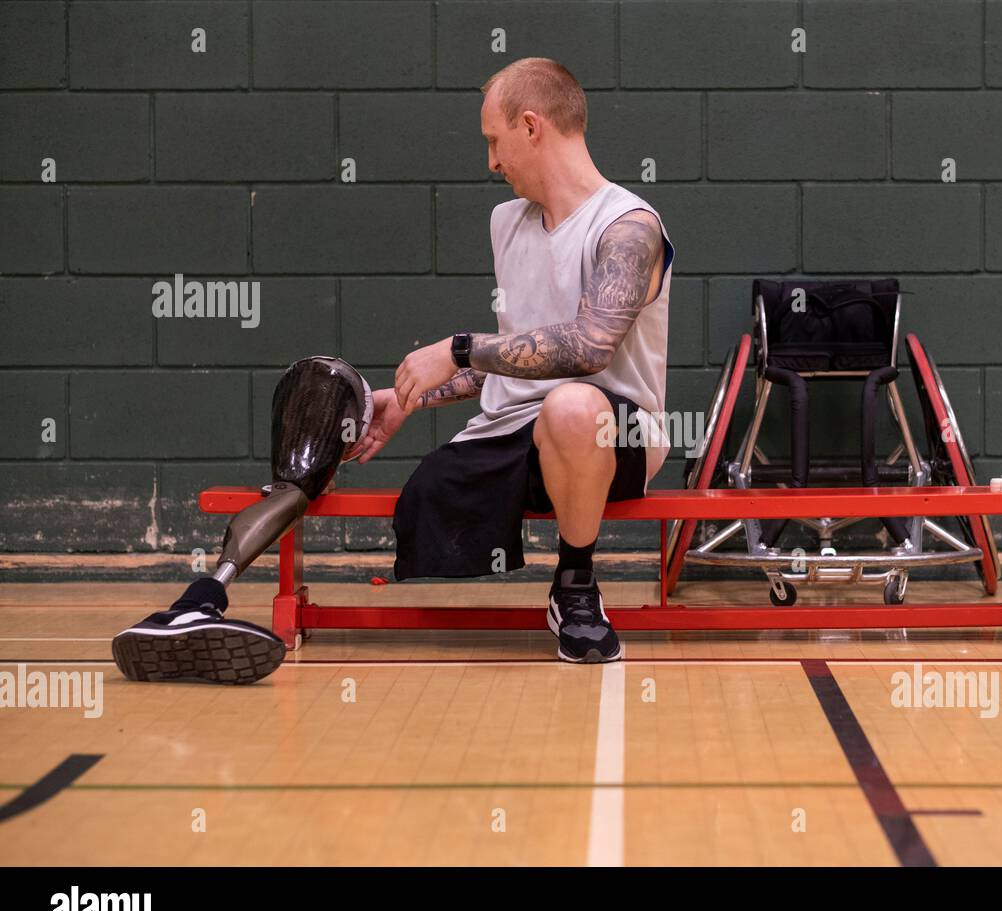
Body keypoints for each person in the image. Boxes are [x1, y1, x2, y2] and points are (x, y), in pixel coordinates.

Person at [113, 57, 673, 681]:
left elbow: (590, 348)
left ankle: (575, 586)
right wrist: (413, 397)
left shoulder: (627, 226)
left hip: (612, 435)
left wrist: (457, 348)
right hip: (521, 436)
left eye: (494, 140)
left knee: (572, 406)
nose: (491, 161)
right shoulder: (507, 223)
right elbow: (522, 360)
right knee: (439, 478)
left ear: (532, 126)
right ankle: (206, 597)